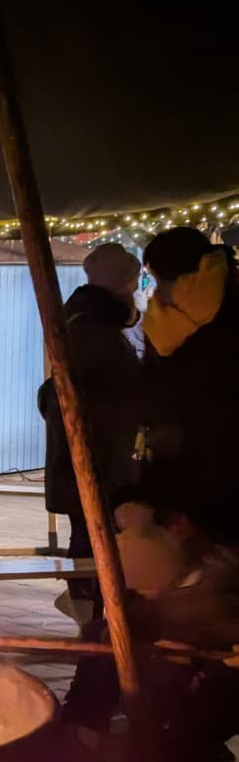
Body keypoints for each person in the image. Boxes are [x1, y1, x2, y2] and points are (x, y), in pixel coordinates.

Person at [64, 490, 239, 762]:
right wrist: (123, 628)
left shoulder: (220, 574)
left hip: (211, 674)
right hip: (177, 656)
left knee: (172, 676)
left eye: (174, 521)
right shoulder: (175, 558)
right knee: (101, 634)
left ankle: (188, 748)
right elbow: (150, 610)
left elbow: (203, 620)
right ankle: (85, 720)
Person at [40, 243, 143, 632]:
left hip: (94, 463)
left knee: (91, 540)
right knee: (93, 542)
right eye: (131, 286)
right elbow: (60, 397)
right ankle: (92, 618)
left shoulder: (83, 326)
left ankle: (93, 615)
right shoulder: (92, 331)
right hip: (92, 464)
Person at [140, 227, 239, 547]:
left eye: (157, 278)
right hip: (181, 465)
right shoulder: (164, 317)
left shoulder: (226, 311)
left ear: (175, 276)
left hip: (220, 467)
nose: (156, 289)